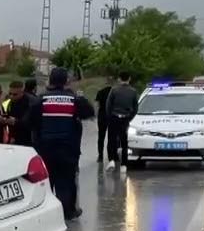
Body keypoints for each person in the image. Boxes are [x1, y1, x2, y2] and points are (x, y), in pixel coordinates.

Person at [28, 67, 95, 220]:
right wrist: (78, 95)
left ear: (50, 81)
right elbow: (90, 113)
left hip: (45, 149)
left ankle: (45, 213)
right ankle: (67, 212)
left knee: (46, 182)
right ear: (66, 82)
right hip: (68, 149)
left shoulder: (41, 99)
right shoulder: (73, 100)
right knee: (66, 182)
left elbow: (30, 122)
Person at [104, 72, 139, 171]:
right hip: (125, 118)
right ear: (129, 79)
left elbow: (108, 105)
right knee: (124, 142)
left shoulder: (114, 90)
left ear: (119, 79)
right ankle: (124, 164)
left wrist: (109, 117)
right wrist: (130, 117)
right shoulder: (133, 91)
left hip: (114, 117)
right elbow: (136, 107)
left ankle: (112, 161)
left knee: (111, 140)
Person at [94, 82, 113, 163]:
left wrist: (96, 115)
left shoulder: (100, 92)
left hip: (102, 116)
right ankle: (110, 156)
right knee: (111, 137)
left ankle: (100, 156)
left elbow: (97, 105)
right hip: (111, 116)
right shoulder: (114, 93)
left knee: (101, 137)